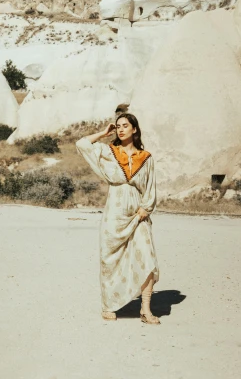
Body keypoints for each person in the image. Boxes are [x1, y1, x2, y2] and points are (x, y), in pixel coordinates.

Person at [76, 113, 160, 324]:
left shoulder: (146, 158)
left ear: (134, 129)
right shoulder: (108, 152)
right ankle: (109, 305)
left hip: (138, 215)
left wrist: (146, 208)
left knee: (147, 259)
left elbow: (150, 187)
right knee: (110, 259)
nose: (121, 129)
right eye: (118, 126)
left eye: (125, 126)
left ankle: (146, 310)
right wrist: (104, 133)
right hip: (114, 213)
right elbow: (82, 144)